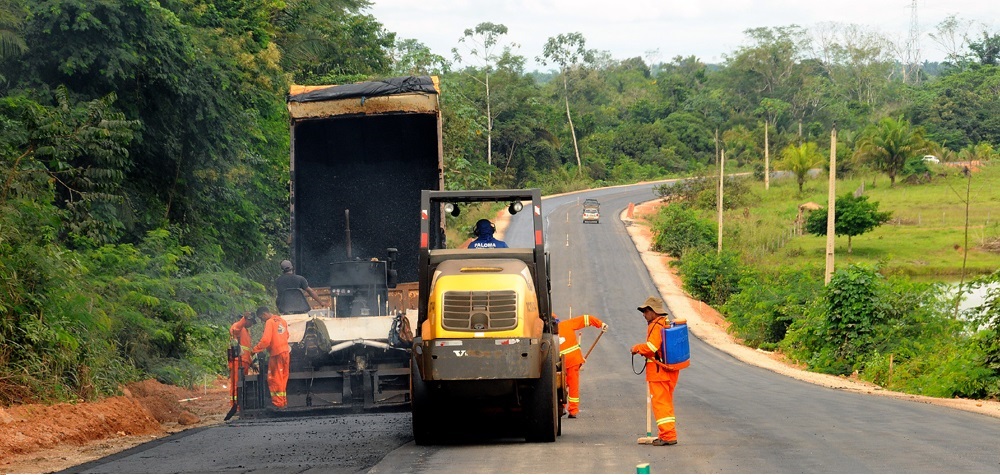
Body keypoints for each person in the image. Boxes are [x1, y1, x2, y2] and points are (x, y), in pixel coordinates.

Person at [630, 296, 680, 446]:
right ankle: (667, 433)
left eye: (645, 311)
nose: (643, 314)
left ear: (653, 311)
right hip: (668, 370)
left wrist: (636, 348)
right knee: (666, 403)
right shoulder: (664, 324)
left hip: (659, 372)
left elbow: (652, 348)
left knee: (660, 404)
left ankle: (668, 436)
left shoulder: (656, 326)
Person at [557, 314, 607, 418]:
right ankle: (573, 410)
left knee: (560, 386)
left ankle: (561, 407)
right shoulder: (566, 324)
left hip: (558, 364)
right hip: (573, 361)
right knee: (573, 386)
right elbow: (586, 319)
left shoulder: (545, 331)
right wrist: (600, 324)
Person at [252, 306, 290, 409]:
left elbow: (265, 340)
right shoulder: (282, 320)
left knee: (274, 378)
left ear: (264, 314)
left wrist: (255, 350)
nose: (262, 321)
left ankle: (278, 404)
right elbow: (287, 336)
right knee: (283, 378)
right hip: (285, 352)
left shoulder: (270, 322)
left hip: (276, 354)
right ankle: (283, 402)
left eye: (261, 318)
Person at [227, 312, 257, 407]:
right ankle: (235, 405)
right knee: (237, 384)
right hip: (237, 361)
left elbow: (246, 350)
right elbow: (236, 329)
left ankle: (241, 404)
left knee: (242, 384)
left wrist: (251, 363)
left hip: (244, 362)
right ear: (247, 320)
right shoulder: (237, 326)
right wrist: (244, 318)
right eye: (251, 322)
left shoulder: (246, 332)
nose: (251, 325)